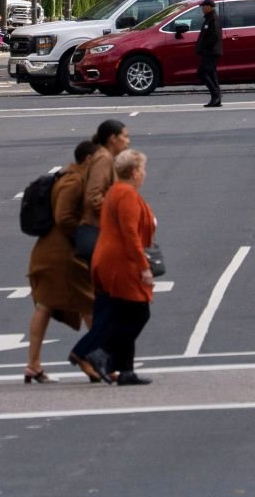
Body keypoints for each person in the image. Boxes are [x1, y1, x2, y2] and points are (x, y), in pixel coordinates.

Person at [24, 140, 97, 383]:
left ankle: (33, 364)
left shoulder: (68, 176)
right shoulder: (74, 181)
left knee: (45, 305)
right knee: (89, 304)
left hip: (53, 251)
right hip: (63, 255)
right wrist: (85, 236)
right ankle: (99, 359)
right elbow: (64, 218)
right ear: (89, 159)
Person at [68, 120, 130, 383]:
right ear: (112, 138)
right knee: (111, 302)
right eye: (125, 136)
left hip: (100, 234)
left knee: (107, 302)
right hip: (98, 235)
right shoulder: (103, 159)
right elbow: (93, 196)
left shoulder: (104, 157)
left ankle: (99, 356)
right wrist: (118, 209)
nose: (128, 140)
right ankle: (88, 352)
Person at [89, 148, 157, 385]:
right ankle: (102, 352)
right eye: (143, 169)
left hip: (109, 257)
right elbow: (130, 233)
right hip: (121, 260)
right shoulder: (126, 194)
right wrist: (143, 266)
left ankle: (126, 370)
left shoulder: (116, 191)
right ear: (135, 172)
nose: (144, 173)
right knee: (138, 312)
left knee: (124, 312)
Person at [196, 0, 224, 107]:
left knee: (202, 73)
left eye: (203, 7)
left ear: (209, 7)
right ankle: (217, 98)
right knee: (211, 73)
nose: (202, 9)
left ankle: (215, 94)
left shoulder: (213, 19)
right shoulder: (209, 18)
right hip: (209, 51)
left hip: (211, 52)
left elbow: (214, 36)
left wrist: (204, 47)